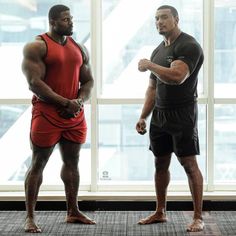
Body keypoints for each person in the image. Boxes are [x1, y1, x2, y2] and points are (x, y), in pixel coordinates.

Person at [21, 4, 95, 233]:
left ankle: (73, 211)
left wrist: (78, 102)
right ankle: (30, 217)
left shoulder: (79, 48)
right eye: (65, 19)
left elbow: (89, 81)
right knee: (38, 163)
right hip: (47, 113)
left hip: (74, 114)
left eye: (71, 18)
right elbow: (34, 83)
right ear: (53, 22)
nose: (71, 22)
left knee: (72, 162)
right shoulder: (37, 46)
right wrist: (65, 103)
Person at [136, 5, 204, 232]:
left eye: (164, 17)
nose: (159, 22)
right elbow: (152, 89)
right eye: (156, 18)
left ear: (176, 19)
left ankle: (197, 217)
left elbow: (177, 77)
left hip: (182, 114)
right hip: (160, 115)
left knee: (188, 163)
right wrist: (143, 116)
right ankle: (160, 211)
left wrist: (149, 65)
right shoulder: (158, 50)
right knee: (160, 162)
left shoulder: (188, 45)